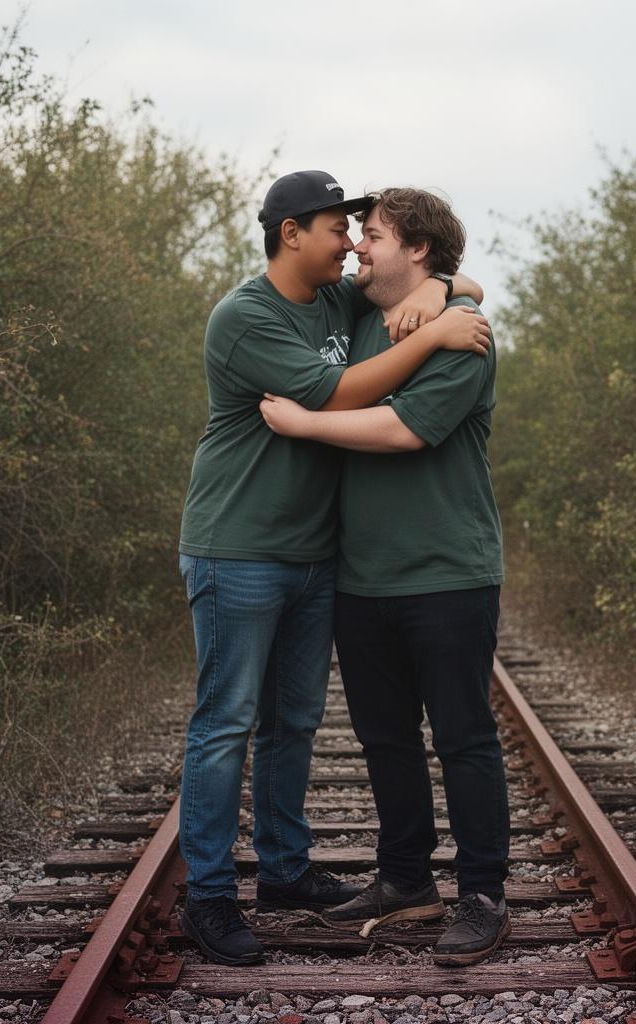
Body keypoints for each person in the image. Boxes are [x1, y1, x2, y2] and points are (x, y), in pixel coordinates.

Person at [177, 170, 489, 966]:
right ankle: (210, 896)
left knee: (294, 726)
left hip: (316, 558)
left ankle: (282, 874)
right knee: (225, 727)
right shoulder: (245, 316)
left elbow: (428, 277)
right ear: (291, 233)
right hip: (240, 544)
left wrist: (448, 289)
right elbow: (342, 393)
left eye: (364, 233)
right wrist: (433, 327)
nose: (351, 243)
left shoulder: (338, 302)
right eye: (336, 229)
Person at [259, 187, 510, 967]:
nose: (359, 247)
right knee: (385, 740)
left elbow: (403, 429)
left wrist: (305, 423)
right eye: (360, 235)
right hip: (363, 579)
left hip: (448, 573)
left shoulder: (464, 338)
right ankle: (405, 881)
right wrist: (444, 286)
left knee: (464, 738)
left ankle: (481, 895)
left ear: (419, 248)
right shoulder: (358, 314)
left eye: (373, 235)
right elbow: (305, 273)